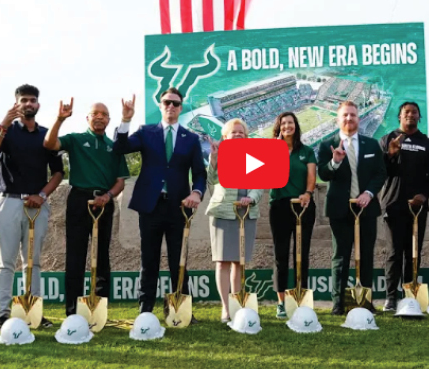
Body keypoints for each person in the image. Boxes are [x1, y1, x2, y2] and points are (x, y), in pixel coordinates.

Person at [114, 88, 206, 318]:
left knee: (179, 260)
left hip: (179, 207)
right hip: (150, 206)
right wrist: (125, 120)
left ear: (181, 107)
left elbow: (200, 173)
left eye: (175, 103)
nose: (171, 107)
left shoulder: (191, 138)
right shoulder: (146, 132)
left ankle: (182, 310)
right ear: (161, 105)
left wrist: (196, 193)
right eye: (167, 102)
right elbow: (120, 148)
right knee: (149, 259)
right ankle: (145, 309)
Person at [0, 84, 64, 330]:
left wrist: (41, 194)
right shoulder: (5, 131)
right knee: (5, 262)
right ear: (16, 104)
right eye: (24, 100)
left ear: (38, 104)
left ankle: (34, 311)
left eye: (33, 100)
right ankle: (2, 315)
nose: (29, 104)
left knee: (33, 262)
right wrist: (3, 123)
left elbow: (59, 173)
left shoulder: (47, 135)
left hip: (37, 204)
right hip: (9, 200)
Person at [43, 99, 129, 316]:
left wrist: (108, 196)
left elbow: (120, 181)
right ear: (88, 118)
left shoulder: (114, 146)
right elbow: (49, 144)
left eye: (104, 114)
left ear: (109, 120)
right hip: (79, 200)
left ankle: (99, 309)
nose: (100, 117)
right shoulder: (76, 139)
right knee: (76, 256)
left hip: (104, 203)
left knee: (102, 257)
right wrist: (60, 119)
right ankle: (72, 310)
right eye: (95, 113)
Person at [317, 100, 387, 315]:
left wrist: (368, 193)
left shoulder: (372, 144)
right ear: (338, 119)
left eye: (353, 115)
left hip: (366, 208)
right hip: (340, 209)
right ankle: (338, 303)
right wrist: (335, 162)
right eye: (345, 115)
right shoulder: (326, 144)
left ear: (359, 118)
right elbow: (324, 174)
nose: (349, 119)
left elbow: (380, 174)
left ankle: (365, 300)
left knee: (366, 255)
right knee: (341, 256)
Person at [378, 101, 429, 312]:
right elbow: (381, 171)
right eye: (406, 112)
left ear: (419, 117)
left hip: (418, 208)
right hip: (393, 205)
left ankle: (409, 296)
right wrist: (391, 154)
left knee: (413, 253)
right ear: (400, 117)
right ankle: (391, 298)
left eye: (414, 112)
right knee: (394, 253)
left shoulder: (428, 144)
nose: (410, 115)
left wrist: (424, 195)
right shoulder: (387, 139)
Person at [206, 119, 263, 322]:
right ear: (225, 137)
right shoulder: (218, 154)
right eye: (234, 133)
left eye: (241, 133)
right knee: (222, 262)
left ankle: (236, 304)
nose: (238, 136)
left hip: (246, 213)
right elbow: (210, 180)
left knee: (239, 262)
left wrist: (252, 199)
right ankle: (225, 309)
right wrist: (214, 157)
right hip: (223, 212)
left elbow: (259, 184)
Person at [268, 112, 317, 320]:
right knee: (281, 255)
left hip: (303, 206)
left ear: (295, 126)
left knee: (301, 254)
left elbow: (312, 176)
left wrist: (308, 193)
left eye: (290, 123)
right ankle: (281, 302)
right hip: (279, 206)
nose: (287, 126)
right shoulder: (270, 151)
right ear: (278, 127)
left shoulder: (306, 151)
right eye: (283, 123)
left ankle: (300, 299)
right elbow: (266, 176)